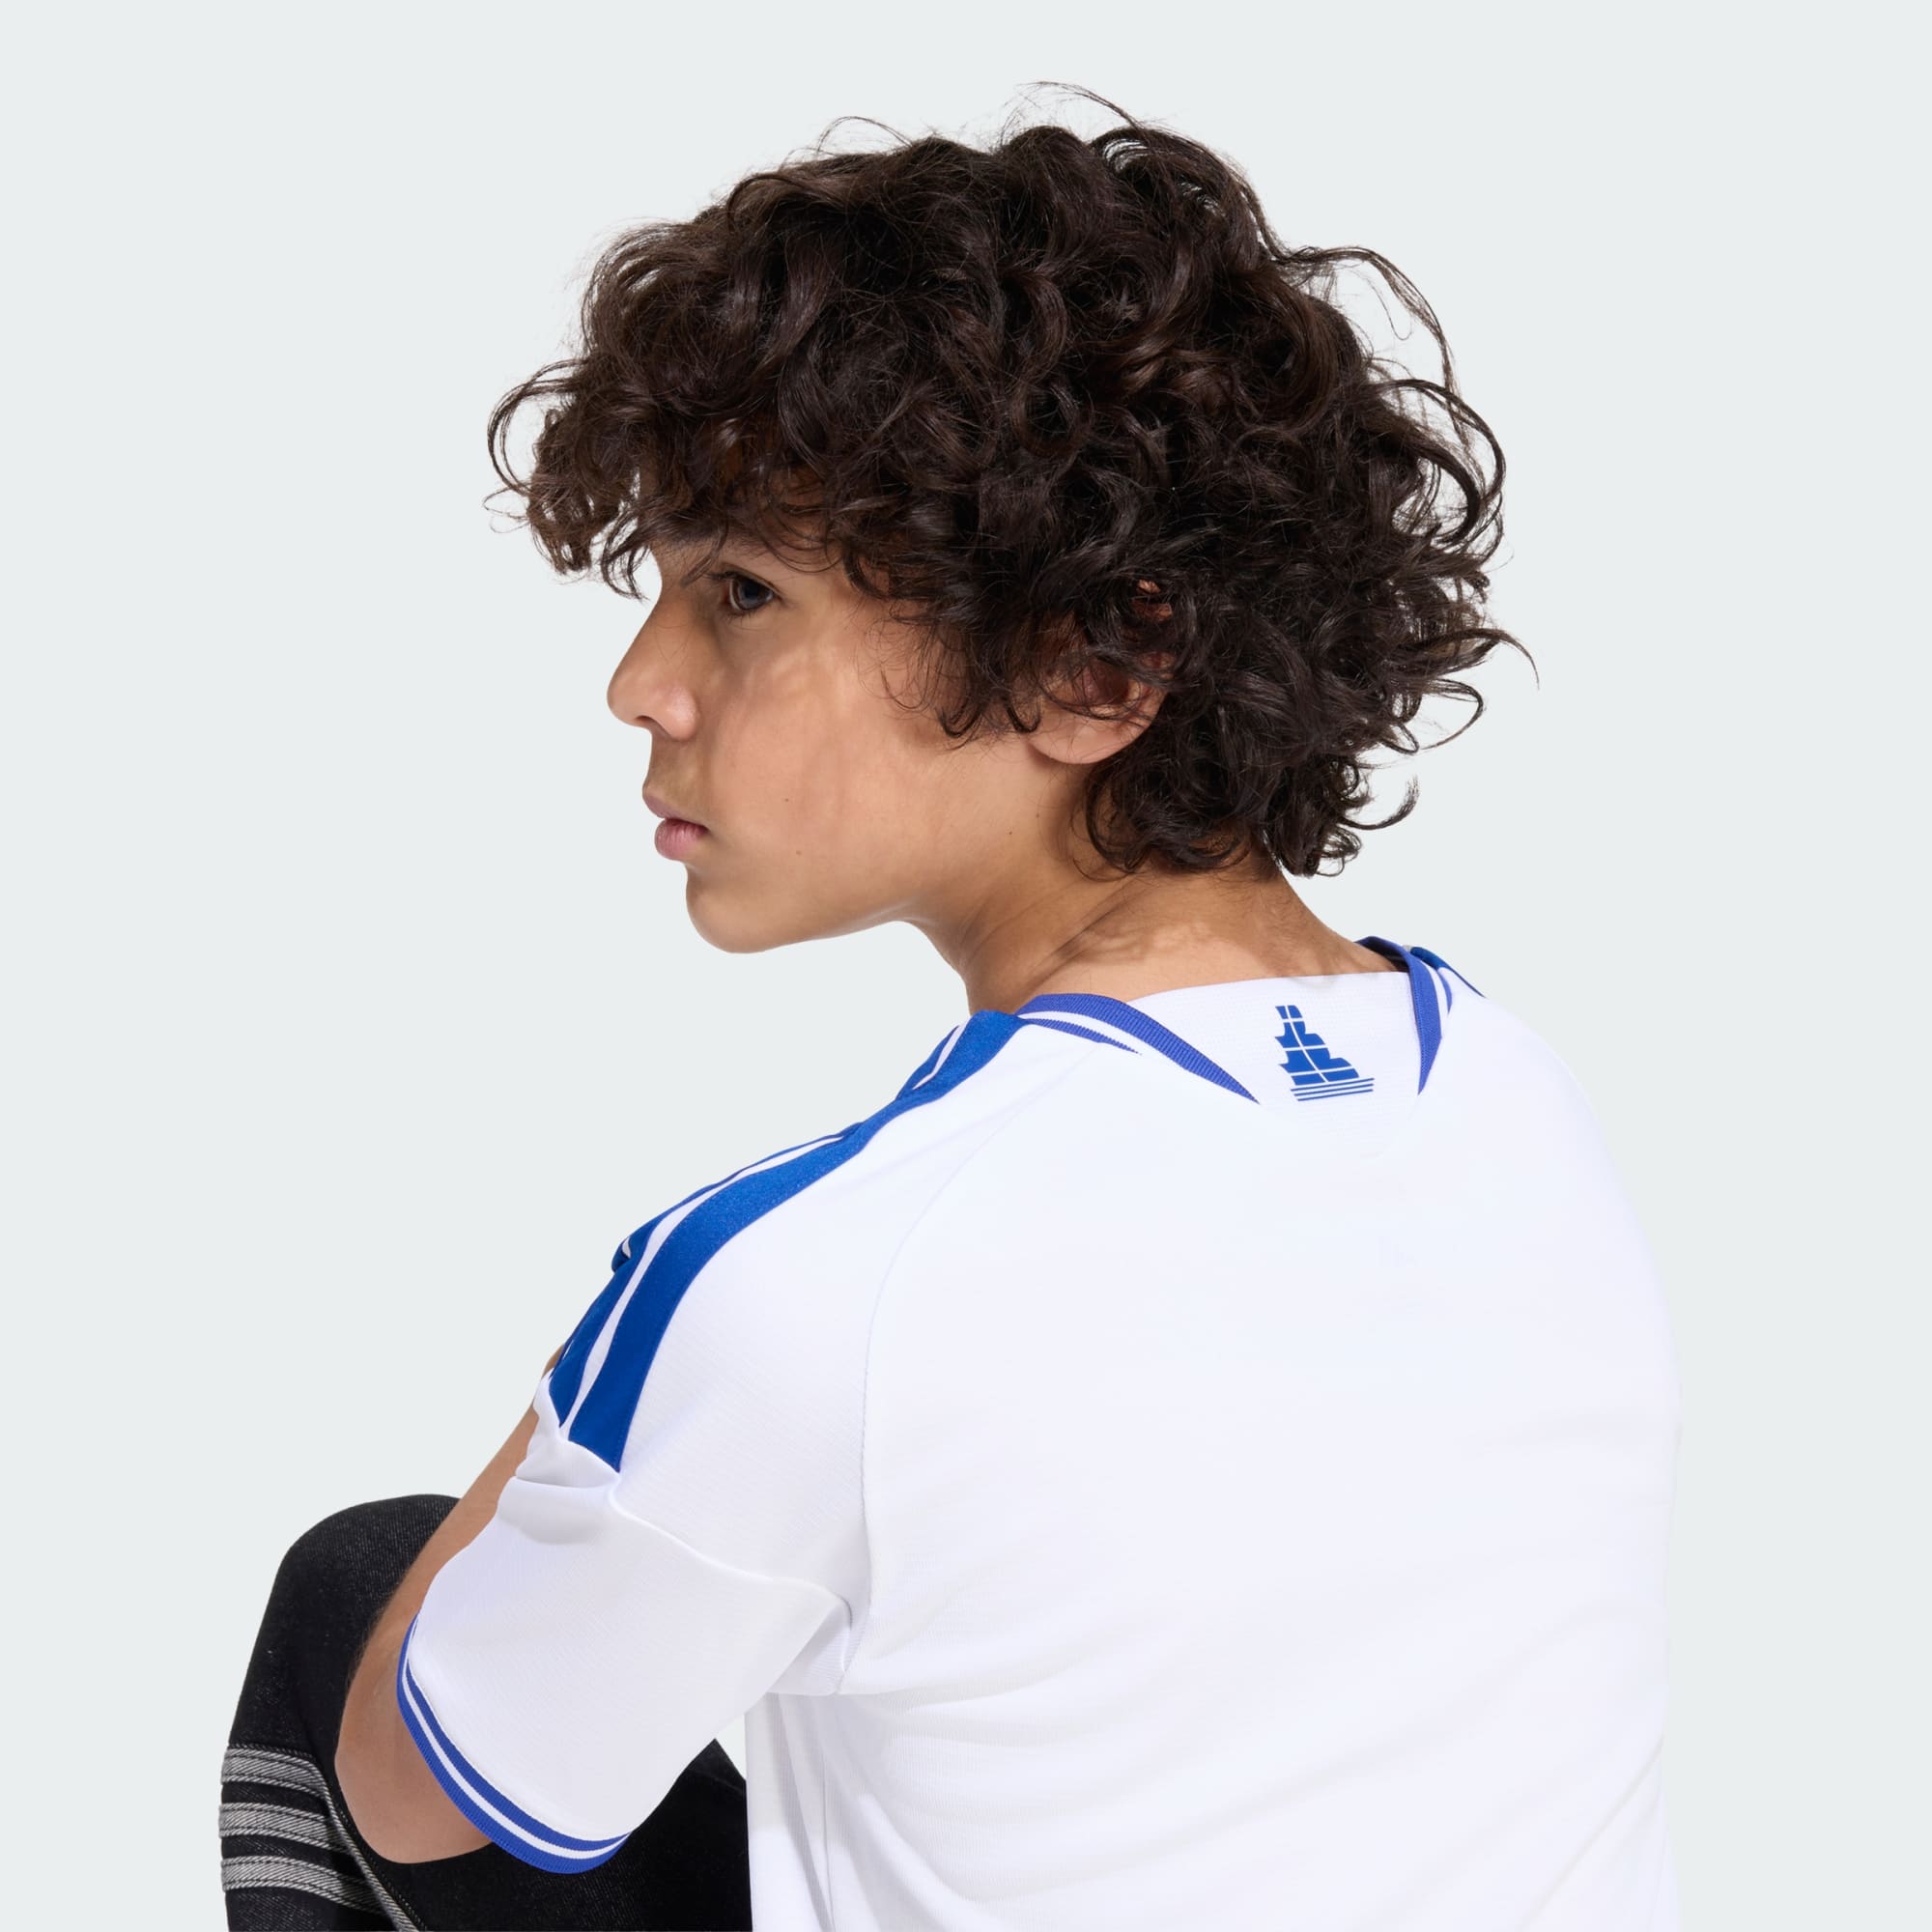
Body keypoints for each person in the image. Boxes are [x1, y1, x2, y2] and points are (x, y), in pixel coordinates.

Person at [221, 94, 1680, 1931]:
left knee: (361, 1597)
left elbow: (409, 1798)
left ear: (1093, 663)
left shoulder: (821, 1282)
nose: (641, 683)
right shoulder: (1525, 1106)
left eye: (740, 593)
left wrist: (632, 1362)